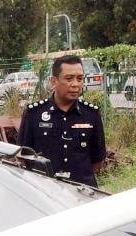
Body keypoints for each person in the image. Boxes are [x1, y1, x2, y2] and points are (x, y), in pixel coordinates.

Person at [18, 55, 106, 187]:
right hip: (44, 191)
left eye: (80, 79)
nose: (75, 84)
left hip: (82, 192)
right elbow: (24, 157)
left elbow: (97, 161)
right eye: (69, 78)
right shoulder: (34, 114)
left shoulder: (91, 114)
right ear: (54, 81)